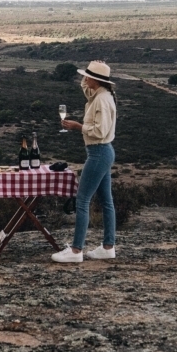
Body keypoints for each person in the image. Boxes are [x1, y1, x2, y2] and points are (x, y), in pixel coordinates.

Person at [54, 60, 117, 264]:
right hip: (103, 152)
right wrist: (92, 70)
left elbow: (100, 131)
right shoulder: (99, 94)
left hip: (98, 153)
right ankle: (108, 247)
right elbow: (85, 86)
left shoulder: (101, 100)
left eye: (88, 76)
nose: (85, 78)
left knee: (82, 200)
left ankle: (76, 250)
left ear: (96, 80)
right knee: (106, 201)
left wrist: (78, 126)